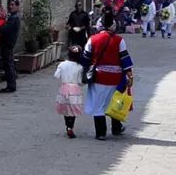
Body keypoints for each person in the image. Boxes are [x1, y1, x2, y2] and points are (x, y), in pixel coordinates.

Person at [81, 12, 134, 140]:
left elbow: (85, 59)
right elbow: (124, 59)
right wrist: (129, 75)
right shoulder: (119, 40)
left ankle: (100, 133)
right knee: (114, 103)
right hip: (116, 79)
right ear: (112, 25)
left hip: (98, 78)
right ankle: (116, 129)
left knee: (98, 105)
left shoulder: (92, 39)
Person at [54, 45, 85, 138]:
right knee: (73, 110)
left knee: (65, 109)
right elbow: (80, 81)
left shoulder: (62, 64)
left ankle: (67, 126)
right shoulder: (80, 67)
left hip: (64, 88)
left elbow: (56, 75)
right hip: (75, 89)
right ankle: (70, 127)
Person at [0, 0, 21, 93]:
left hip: (7, 44)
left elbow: (5, 29)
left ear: (17, 6)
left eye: (13, 5)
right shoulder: (13, 17)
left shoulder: (14, 18)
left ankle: (11, 86)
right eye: (10, 4)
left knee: (8, 64)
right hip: (8, 43)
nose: (10, 6)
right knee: (9, 64)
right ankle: (11, 84)